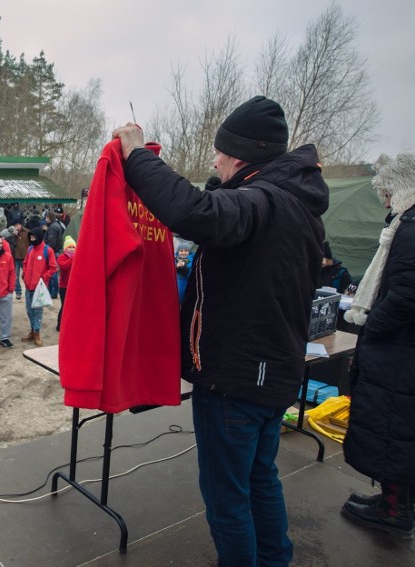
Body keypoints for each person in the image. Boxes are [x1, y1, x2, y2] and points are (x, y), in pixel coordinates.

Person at [113, 95, 328, 565]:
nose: (214, 159)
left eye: (220, 152)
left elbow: (198, 214)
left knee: (228, 498)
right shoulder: (296, 206)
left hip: (234, 381)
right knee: (260, 480)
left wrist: (138, 158)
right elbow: (224, 215)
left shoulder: (261, 201)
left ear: (241, 155)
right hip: (273, 376)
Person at [340, 152, 415, 540]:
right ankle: (396, 502)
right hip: (406, 350)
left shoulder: (413, 228)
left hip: (402, 353)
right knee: (403, 432)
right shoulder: (409, 225)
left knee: (394, 431)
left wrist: (373, 329)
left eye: (386, 192)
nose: (384, 201)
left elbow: (408, 294)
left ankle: (394, 511)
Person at [21, 227, 56, 346]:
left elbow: (53, 268)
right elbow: (25, 263)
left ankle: (36, 332)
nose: (32, 239)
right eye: (31, 237)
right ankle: (32, 330)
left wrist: (43, 278)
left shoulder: (48, 250)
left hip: (39, 288)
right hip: (28, 286)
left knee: (38, 311)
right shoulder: (30, 248)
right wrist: (24, 275)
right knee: (29, 310)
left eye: (34, 237)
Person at [56, 236, 75, 331]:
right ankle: (59, 325)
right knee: (64, 306)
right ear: (65, 248)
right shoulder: (61, 257)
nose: (72, 249)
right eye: (70, 247)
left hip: (74, 286)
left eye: (73, 247)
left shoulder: (77, 257)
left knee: (73, 307)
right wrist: (73, 258)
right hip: (64, 286)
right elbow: (64, 266)